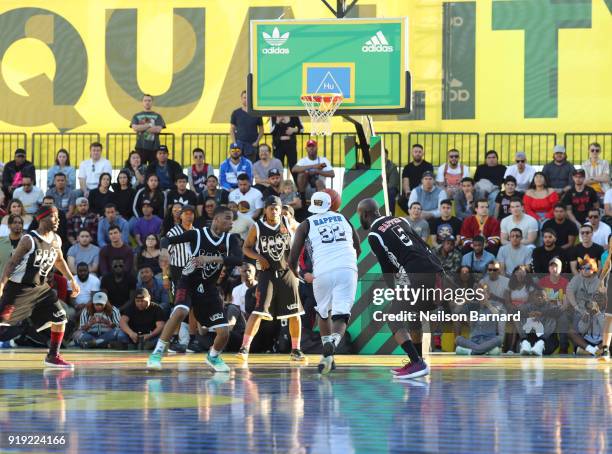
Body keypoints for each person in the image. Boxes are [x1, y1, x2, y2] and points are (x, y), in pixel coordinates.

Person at [148, 205, 243, 372]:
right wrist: (163, 251)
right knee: (180, 312)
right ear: (216, 219)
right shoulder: (197, 234)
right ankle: (157, 353)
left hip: (208, 288)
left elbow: (238, 259)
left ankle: (213, 357)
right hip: (188, 281)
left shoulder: (231, 239)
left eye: (232, 219)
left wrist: (210, 258)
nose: (231, 222)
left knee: (224, 331)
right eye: (227, 218)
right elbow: (166, 239)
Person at [357, 198, 442, 379]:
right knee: (413, 317)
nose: (359, 218)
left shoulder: (374, 235)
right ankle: (417, 360)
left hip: (415, 272)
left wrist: (393, 290)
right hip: (433, 266)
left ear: (364, 214)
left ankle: (417, 363)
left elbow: (387, 267)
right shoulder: (400, 220)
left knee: (393, 318)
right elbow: (420, 243)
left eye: (359, 215)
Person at [289, 191, 360, 374]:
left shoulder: (305, 224)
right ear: (331, 204)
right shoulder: (343, 218)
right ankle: (333, 345)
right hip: (346, 267)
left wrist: (298, 274)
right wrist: (349, 266)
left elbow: (292, 259)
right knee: (341, 314)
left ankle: (327, 354)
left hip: (322, 271)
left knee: (323, 312)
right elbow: (358, 247)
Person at [0, 206, 80, 368]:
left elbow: (59, 260)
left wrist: (71, 279)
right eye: (54, 217)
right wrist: (1, 285)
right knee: (2, 327)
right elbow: (11, 263)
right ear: (42, 218)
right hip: (19, 289)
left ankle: (52, 356)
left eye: (58, 217)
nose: (58, 220)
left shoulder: (56, 239)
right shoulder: (28, 239)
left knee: (60, 317)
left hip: (41, 289)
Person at [237, 196, 306, 362]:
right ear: (265, 210)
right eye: (271, 208)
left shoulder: (288, 223)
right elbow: (246, 247)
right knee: (258, 311)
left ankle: (296, 349)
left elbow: (304, 232)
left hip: (287, 272)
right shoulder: (257, 227)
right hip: (267, 273)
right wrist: (258, 257)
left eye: (277, 208)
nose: (274, 211)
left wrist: (296, 260)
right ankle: (244, 348)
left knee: (295, 313)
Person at [566, 255, 604, 356]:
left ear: (594, 269)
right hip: (580, 311)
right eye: (582, 268)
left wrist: (596, 311)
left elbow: (602, 300)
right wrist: (577, 308)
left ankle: (589, 350)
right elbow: (569, 292)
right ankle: (591, 350)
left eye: (588, 268)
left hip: (598, 312)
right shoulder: (576, 279)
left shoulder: (599, 282)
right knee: (571, 330)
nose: (584, 270)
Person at [454, 283, 505, 356]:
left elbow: (499, 316)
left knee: (499, 339)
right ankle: (483, 351)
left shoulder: (495, 304)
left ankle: (472, 352)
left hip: (489, 340)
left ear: (488, 295)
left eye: (483, 293)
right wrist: (464, 301)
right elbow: (456, 311)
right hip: (474, 340)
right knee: (458, 339)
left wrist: (488, 304)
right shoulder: (473, 306)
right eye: (479, 293)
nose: (481, 295)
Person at [130, 94, 166, 166]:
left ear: (152, 102)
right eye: (145, 100)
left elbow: (158, 129)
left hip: (154, 148)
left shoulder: (158, 116)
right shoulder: (136, 116)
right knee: (140, 168)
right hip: (140, 147)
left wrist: (141, 128)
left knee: (153, 170)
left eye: (149, 100)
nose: (147, 102)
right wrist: (149, 125)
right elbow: (135, 128)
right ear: (142, 102)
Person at [230, 90, 264, 161]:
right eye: (244, 97)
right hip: (239, 145)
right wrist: (235, 143)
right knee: (238, 166)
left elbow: (261, 130)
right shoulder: (236, 113)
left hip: (252, 145)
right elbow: (232, 129)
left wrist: (257, 142)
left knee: (251, 167)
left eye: (248, 98)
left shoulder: (256, 113)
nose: (246, 100)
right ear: (241, 99)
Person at [399, 144, 434, 213]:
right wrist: (407, 191)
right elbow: (405, 181)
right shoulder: (407, 167)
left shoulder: (428, 166)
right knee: (401, 201)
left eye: (419, 152)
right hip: (410, 192)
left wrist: (416, 192)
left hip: (424, 191)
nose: (417, 154)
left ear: (422, 153)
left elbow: (427, 181)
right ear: (412, 153)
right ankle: (412, 215)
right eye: (415, 152)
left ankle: (418, 215)